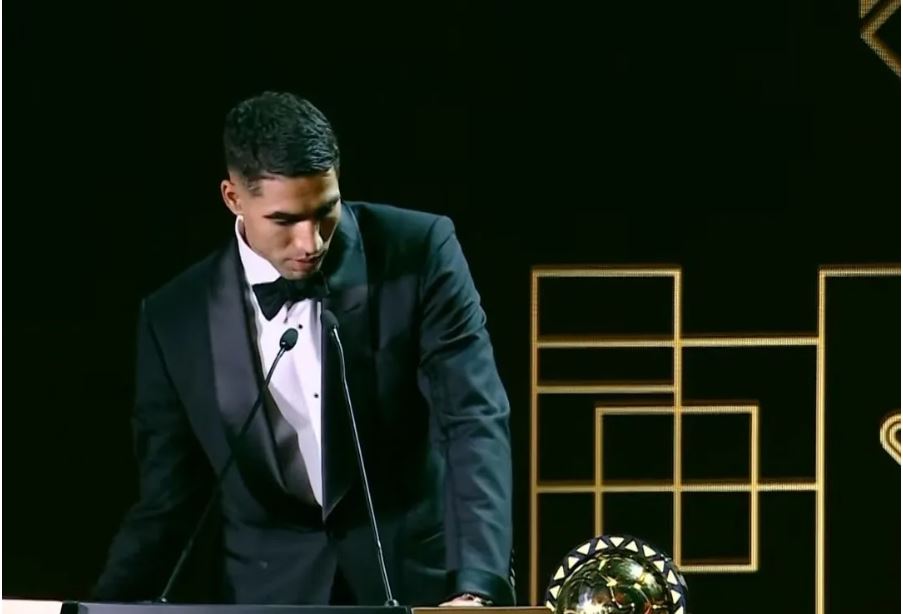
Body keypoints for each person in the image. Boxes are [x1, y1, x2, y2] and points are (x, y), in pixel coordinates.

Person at [91, 91, 514, 607]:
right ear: (233, 198)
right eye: (285, 220)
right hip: (270, 597)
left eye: (325, 211)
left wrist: (478, 587)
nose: (311, 242)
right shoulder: (174, 319)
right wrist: (102, 605)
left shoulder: (419, 251)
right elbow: (168, 501)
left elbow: (474, 418)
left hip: (413, 586)